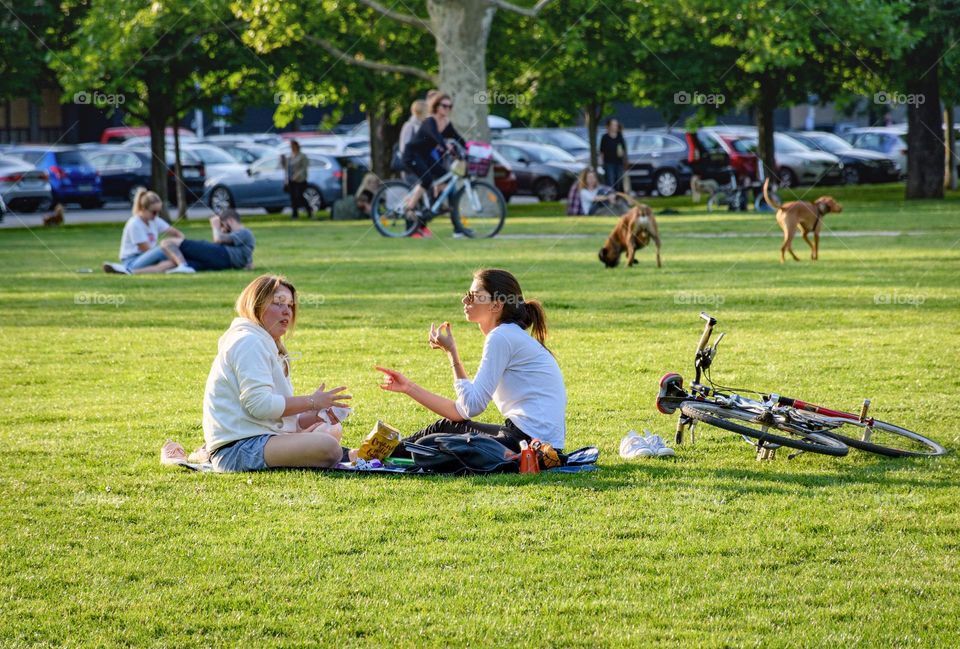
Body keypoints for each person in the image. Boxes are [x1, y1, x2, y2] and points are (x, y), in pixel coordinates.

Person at [375, 268, 567, 457]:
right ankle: (367, 455)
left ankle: (368, 456)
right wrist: (408, 387)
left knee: (429, 444)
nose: (465, 300)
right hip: (532, 442)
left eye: (473, 296)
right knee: (443, 429)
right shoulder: (508, 334)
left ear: (496, 305)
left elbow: (472, 406)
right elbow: (460, 413)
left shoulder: (502, 336)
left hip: (531, 446)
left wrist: (452, 353)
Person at [203, 274, 351, 472]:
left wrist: (316, 415)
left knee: (331, 429)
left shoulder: (268, 343)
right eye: (278, 303)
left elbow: (278, 418)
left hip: (263, 438)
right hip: (237, 449)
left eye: (290, 305)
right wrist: (311, 401)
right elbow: (260, 406)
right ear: (256, 305)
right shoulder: (249, 342)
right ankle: (351, 455)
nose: (286, 311)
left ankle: (346, 453)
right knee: (329, 447)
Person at [401, 92, 469, 238]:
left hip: (425, 157)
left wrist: (471, 149)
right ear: (437, 106)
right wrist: (446, 147)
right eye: (444, 106)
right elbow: (436, 137)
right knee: (426, 180)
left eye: (450, 106)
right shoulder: (430, 121)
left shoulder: (446, 123)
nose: (447, 109)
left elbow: (458, 138)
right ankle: (409, 207)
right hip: (413, 154)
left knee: (447, 178)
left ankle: (439, 210)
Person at [102, 189, 184, 274]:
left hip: (147, 257)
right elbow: (147, 249)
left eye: (159, 212)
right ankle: (127, 269)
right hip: (132, 260)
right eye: (154, 212)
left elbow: (177, 234)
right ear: (143, 209)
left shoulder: (155, 220)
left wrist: (181, 246)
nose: (156, 215)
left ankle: (130, 272)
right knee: (164, 249)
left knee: (172, 262)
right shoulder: (134, 223)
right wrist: (173, 251)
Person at [160, 209, 255, 273]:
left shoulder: (245, 232)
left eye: (223, 225)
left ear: (230, 221)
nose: (223, 229)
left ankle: (182, 265)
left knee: (168, 242)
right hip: (221, 261)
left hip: (223, 255)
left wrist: (215, 226)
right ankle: (144, 271)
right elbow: (247, 257)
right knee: (171, 264)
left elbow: (218, 239)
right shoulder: (244, 238)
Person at [281, 140, 311, 219]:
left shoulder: (302, 156)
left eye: (292, 145)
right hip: (291, 180)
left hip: (300, 180)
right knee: (293, 198)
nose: (291, 147)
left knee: (299, 196)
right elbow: (286, 168)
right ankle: (295, 214)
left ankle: (309, 211)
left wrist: (296, 176)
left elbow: (304, 168)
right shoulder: (290, 156)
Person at [599, 118, 627, 192]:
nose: (615, 126)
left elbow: (623, 150)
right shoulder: (605, 137)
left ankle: (617, 197)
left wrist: (624, 159)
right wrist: (602, 163)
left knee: (618, 181)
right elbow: (601, 151)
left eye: (616, 125)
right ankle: (611, 197)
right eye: (613, 125)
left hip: (618, 162)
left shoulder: (620, 136)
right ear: (609, 126)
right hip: (608, 163)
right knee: (610, 181)